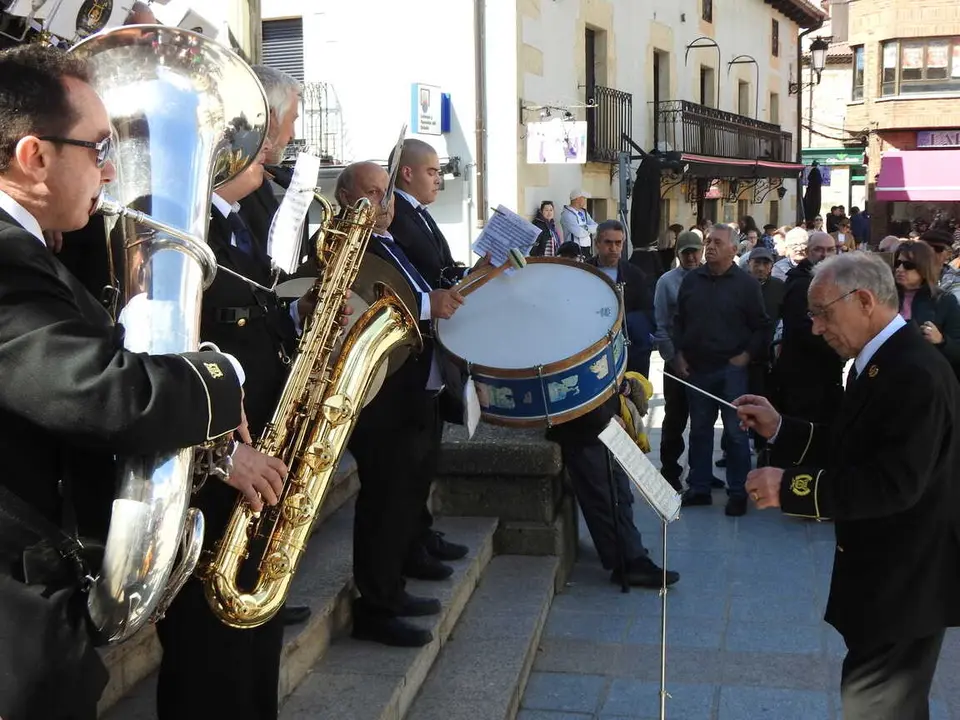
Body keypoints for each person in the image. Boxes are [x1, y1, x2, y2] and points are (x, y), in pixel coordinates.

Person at [0, 45, 247, 720]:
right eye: (99, 147)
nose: (111, 170)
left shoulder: (27, 247)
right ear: (35, 157)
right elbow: (110, 397)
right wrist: (223, 376)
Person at [736, 252, 960, 720]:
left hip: (906, 580)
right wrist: (781, 428)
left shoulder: (914, 371)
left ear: (862, 301)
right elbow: (852, 444)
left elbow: (895, 483)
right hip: (884, 574)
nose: (817, 328)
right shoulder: (880, 361)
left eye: (823, 314)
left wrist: (791, 487)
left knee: (876, 706)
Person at [153, 143, 317, 719]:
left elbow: (255, 309)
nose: (274, 147)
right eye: (264, 134)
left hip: (259, 437)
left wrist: (300, 317)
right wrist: (222, 450)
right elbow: (162, 355)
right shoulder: (176, 222)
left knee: (250, 633)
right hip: (212, 458)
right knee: (208, 645)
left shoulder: (245, 215)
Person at [338, 161, 464, 646]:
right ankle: (376, 606)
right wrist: (433, 304)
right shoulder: (352, 244)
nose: (383, 204)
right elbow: (371, 303)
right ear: (348, 198)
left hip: (413, 386)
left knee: (402, 498)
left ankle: (392, 588)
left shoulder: (389, 241)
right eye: (372, 193)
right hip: (383, 395)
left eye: (387, 194)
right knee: (383, 502)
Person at [387, 138, 476, 581]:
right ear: (407, 173)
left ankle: (420, 535)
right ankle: (409, 547)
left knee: (424, 458)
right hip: (408, 361)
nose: (439, 179)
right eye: (431, 172)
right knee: (405, 467)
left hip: (430, 355)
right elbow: (411, 282)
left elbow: (438, 267)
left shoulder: (417, 215)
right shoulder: (397, 217)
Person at [589, 219, 654, 377]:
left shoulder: (636, 275)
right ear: (597, 243)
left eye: (618, 243)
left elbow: (646, 314)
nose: (613, 248)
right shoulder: (585, 273)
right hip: (593, 352)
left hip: (629, 352)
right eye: (608, 242)